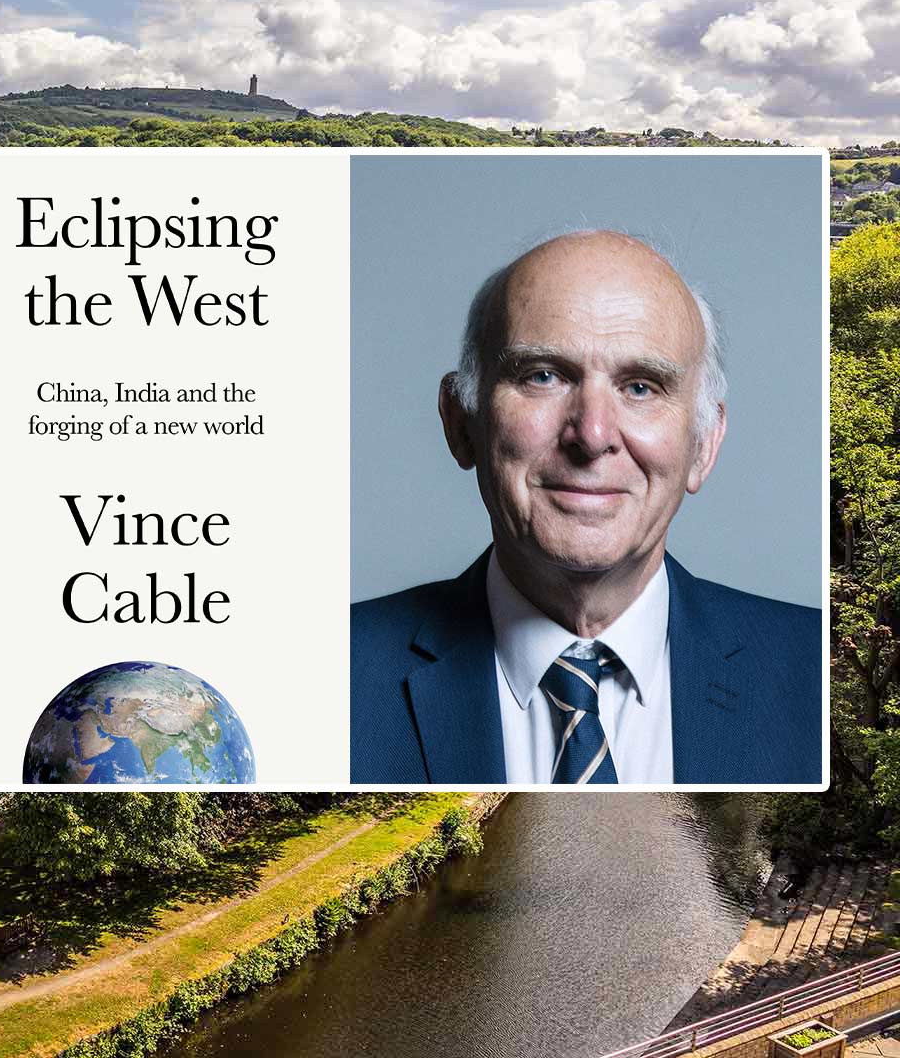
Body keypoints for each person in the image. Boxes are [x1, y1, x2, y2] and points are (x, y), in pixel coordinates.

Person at [350, 231, 820, 786]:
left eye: (641, 387)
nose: (592, 435)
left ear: (705, 444)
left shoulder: (814, 677)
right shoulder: (325, 678)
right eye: (542, 376)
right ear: (460, 423)